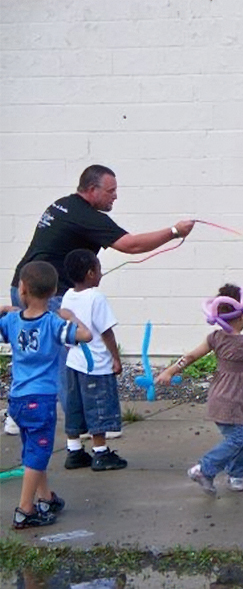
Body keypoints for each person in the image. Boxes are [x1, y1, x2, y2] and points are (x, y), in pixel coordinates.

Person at [6, 164, 196, 415]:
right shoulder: (86, 217)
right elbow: (131, 245)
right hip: (49, 297)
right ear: (92, 189)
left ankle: (18, 414)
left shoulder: (62, 204)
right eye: (111, 191)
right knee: (66, 364)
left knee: (30, 357)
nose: (115, 196)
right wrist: (174, 232)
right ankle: (78, 426)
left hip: (21, 287)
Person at [156, 284, 243, 495]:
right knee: (237, 440)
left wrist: (170, 370)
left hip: (224, 395)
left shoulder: (215, 338)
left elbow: (191, 356)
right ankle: (204, 469)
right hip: (231, 398)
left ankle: (236, 476)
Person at [0, 261, 92, 529]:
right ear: (53, 292)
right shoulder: (54, 323)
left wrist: (7, 309)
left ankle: (45, 498)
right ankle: (25, 510)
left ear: (22, 289)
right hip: (40, 401)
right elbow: (85, 335)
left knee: (32, 450)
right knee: (38, 455)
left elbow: (8, 321)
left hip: (17, 400)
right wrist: (70, 316)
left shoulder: (12, 321)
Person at [60, 249, 127, 472]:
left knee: (75, 405)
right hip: (96, 364)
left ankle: (74, 450)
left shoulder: (68, 295)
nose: (101, 273)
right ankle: (100, 452)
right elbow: (106, 331)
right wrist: (115, 358)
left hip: (73, 362)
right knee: (98, 406)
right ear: (90, 273)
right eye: (99, 269)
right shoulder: (96, 298)